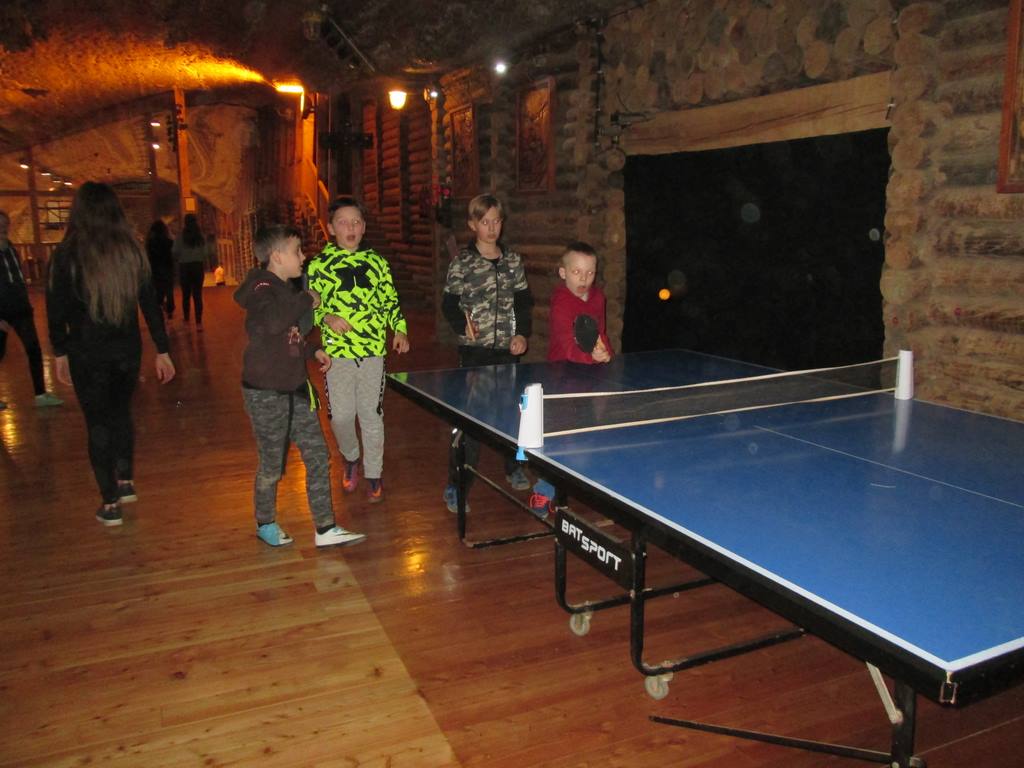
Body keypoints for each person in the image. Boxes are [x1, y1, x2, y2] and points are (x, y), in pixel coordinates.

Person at [45, 182, 176, 526]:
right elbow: (150, 303)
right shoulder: (131, 250)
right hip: (126, 351)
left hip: (86, 352)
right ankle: (126, 479)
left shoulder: (66, 254)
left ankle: (110, 502)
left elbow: (56, 308)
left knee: (97, 424)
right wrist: (162, 349)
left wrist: (59, 351)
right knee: (120, 413)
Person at [235, 224, 365, 548]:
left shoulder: (282, 289)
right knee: (272, 463)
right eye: (297, 251)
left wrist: (311, 351)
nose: (303, 256)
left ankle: (325, 527)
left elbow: (286, 336)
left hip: (294, 388)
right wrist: (306, 298)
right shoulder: (262, 288)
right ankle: (265, 522)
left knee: (318, 454)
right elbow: (273, 322)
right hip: (265, 394)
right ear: (277, 256)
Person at [306, 197, 409, 504]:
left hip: (373, 353)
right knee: (340, 416)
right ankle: (351, 457)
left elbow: (391, 301)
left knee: (370, 415)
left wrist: (399, 329)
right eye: (343, 222)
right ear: (330, 228)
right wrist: (326, 317)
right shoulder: (318, 265)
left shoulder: (378, 264)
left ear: (363, 227)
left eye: (356, 222)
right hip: (336, 356)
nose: (350, 228)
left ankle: (374, 473)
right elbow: (308, 308)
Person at [441, 193, 534, 514]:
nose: (492, 228)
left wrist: (521, 334)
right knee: (470, 423)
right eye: (485, 222)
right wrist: (461, 325)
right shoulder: (462, 263)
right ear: (472, 225)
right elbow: (449, 303)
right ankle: (456, 485)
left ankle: (514, 466)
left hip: (507, 351)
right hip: (475, 353)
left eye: (496, 221)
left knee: (512, 415)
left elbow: (523, 302)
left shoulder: (513, 261)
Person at [528, 241, 613, 519]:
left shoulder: (598, 298)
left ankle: (597, 488)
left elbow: (600, 333)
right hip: (562, 377)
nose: (584, 279)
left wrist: (606, 352)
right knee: (561, 439)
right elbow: (567, 345)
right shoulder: (561, 302)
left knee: (591, 434)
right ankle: (544, 489)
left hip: (593, 378)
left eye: (590, 272)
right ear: (563, 273)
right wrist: (592, 357)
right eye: (577, 272)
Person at [0, 209, 63, 410]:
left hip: (20, 309)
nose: (3, 229)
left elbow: (17, 278)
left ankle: (41, 394)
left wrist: (26, 303)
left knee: (34, 349)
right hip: (2, 312)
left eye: (5, 225)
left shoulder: (10, 248)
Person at [173, 213, 209, 329]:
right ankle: (199, 323)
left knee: (186, 295)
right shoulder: (200, 237)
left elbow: (175, 252)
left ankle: (187, 320)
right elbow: (206, 253)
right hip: (197, 267)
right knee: (197, 295)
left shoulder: (180, 237)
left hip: (184, 267)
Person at [145, 220, 175, 319]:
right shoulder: (169, 241)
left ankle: (159, 308)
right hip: (167, 267)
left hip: (155, 269)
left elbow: (148, 256)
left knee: (159, 290)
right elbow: (173, 254)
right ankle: (170, 308)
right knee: (169, 290)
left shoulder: (150, 242)